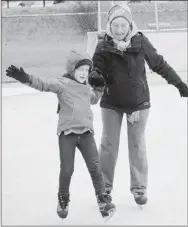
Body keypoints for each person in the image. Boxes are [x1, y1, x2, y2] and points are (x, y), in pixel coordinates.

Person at [88, 3, 188, 206]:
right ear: (110, 25)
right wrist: (95, 76)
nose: (119, 29)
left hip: (138, 103)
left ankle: (139, 189)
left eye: (123, 24)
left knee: (137, 145)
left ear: (129, 24)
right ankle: (104, 188)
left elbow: (159, 64)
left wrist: (179, 84)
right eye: (115, 25)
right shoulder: (103, 45)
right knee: (108, 144)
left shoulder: (140, 42)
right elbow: (95, 68)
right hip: (112, 102)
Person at [5, 50, 116, 220]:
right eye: (81, 70)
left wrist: (100, 88)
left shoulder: (86, 88)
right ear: (72, 69)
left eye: (87, 70)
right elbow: (44, 83)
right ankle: (63, 199)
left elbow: (93, 99)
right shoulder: (62, 83)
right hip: (68, 134)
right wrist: (25, 77)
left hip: (86, 134)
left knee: (95, 167)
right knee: (67, 170)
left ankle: (102, 199)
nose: (84, 73)